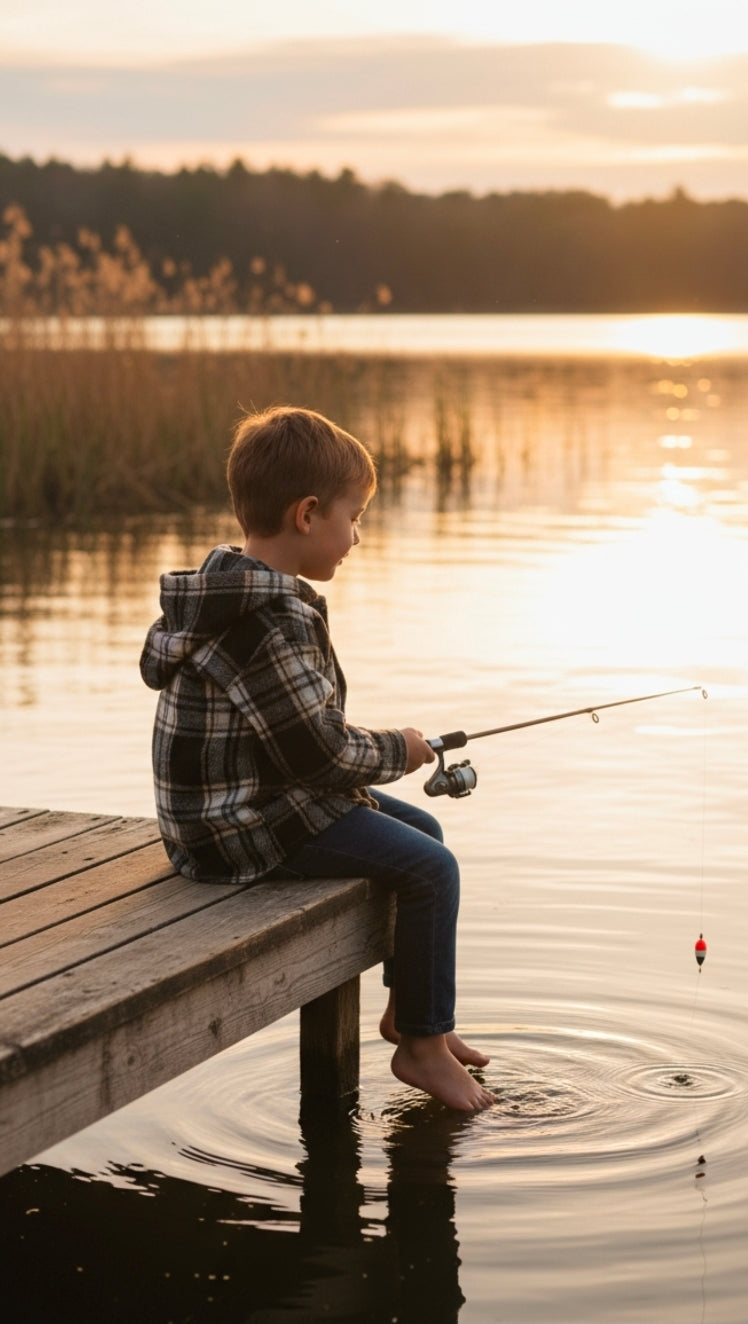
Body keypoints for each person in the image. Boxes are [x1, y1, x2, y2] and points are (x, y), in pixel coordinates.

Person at [140, 405, 494, 1112]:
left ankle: (411, 1016)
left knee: (425, 835)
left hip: (239, 803)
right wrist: (401, 748)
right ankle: (422, 1052)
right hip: (235, 828)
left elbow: (296, 736)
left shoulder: (228, 594)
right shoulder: (269, 619)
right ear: (307, 515)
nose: (356, 536)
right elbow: (320, 752)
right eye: (353, 517)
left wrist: (379, 751)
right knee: (433, 869)